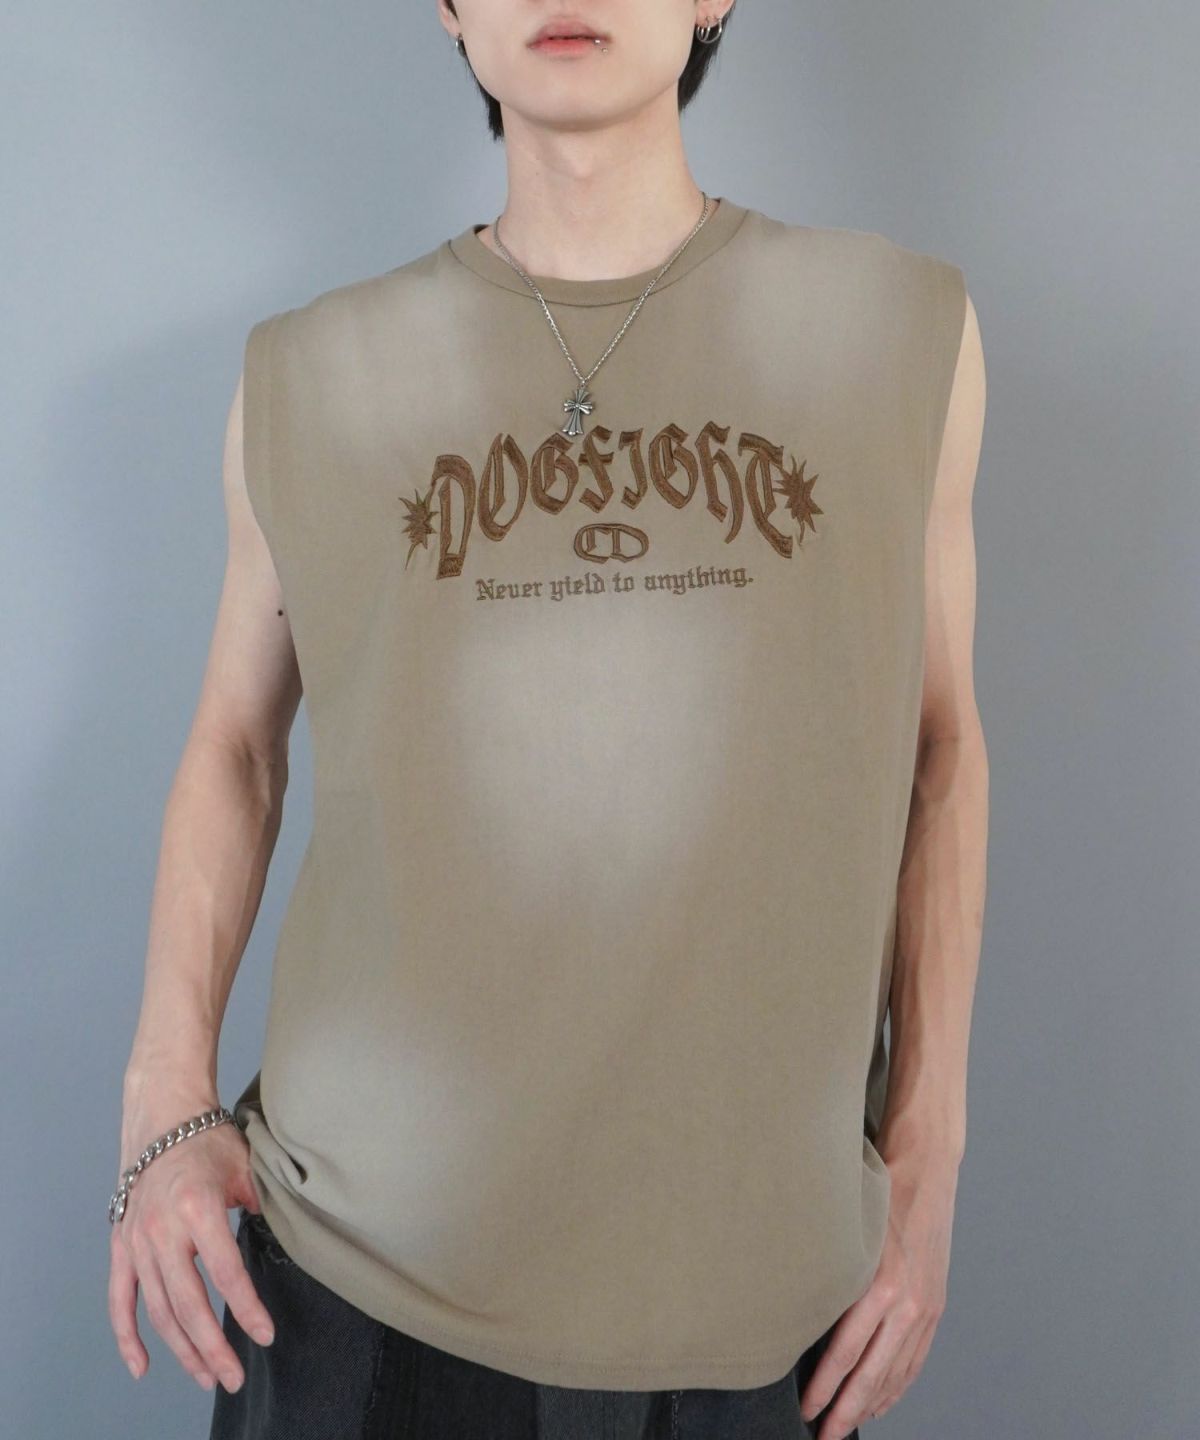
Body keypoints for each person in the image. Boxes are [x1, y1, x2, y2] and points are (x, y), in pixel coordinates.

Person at [107, 3, 989, 1437]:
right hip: (359, 1281)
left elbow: (940, 753)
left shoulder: (893, 334)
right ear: (450, 8)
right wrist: (163, 1099)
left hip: (757, 1293)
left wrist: (929, 1155)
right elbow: (236, 748)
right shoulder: (315, 372)